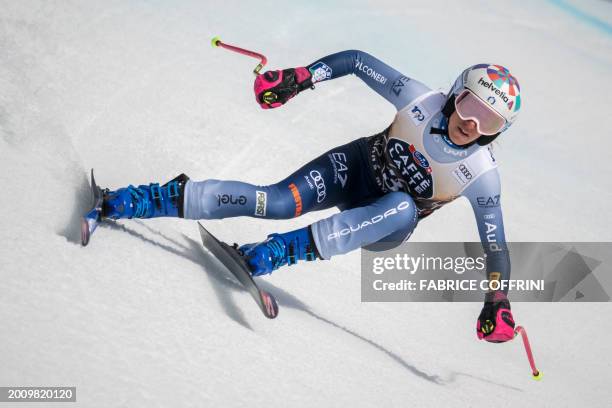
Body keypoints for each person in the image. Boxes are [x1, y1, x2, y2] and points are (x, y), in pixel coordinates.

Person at [102, 50, 520, 343]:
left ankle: (270, 254)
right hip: (355, 168)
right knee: (277, 202)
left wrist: (496, 298)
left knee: (402, 204)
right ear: (453, 94)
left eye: (489, 121)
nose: (471, 125)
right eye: (469, 106)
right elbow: (356, 61)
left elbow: (495, 248)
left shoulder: (482, 177)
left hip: (385, 222)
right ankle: (145, 199)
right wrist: (300, 79)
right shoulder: (419, 100)